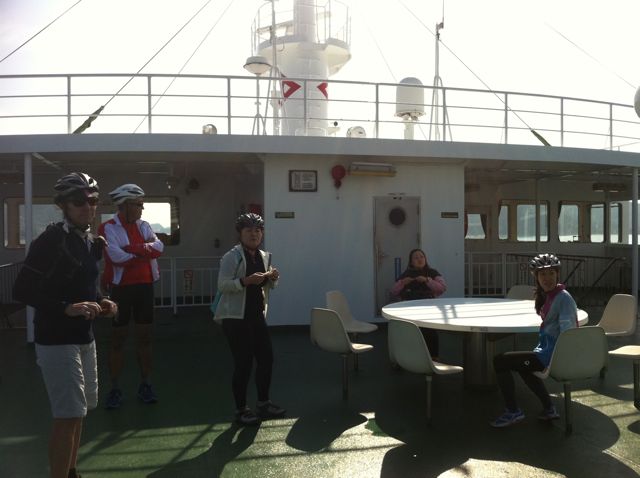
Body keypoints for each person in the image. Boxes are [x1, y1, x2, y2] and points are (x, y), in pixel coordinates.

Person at [12, 172, 118, 478]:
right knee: (67, 414)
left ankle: (71, 471)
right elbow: (22, 290)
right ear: (63, 205)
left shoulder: (91, 241)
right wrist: (66, 308)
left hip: (84, 336)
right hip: (56, 338)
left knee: (80, 410)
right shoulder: (50, 241)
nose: (87, 206)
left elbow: (88, 287)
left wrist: (103, 300)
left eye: (92, 200)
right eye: (78, 201)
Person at [490, 253, 578, 428]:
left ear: (557, 274)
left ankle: (513, 411)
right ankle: (549, 408)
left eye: (551, 273)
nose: (547, 278)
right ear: (536, 277)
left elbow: (568, 333)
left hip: (552, 355)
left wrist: (559, 359)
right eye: (542, 274)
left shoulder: (563, 298)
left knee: (500, 361)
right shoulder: (549, 295)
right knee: (523, 367)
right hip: (545, 352)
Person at [215, 213, 285, 426]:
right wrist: (245, 281)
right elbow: (222, 285)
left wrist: (273, 278)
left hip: (256, 315)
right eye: (248, 230)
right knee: (243, 364)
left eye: (257, 230)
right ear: (240, 234)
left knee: (266, 359)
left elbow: (267, 285)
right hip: (235, 318)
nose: (254, 234)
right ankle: (241, 410)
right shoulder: (232, 257)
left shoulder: (264, 256)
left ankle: (263, 403)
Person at [99, 184, 164, 409]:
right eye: (138, 204)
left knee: (145, 338)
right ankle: (115, 388)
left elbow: (159, 248)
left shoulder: (144, 225)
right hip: (121, 290)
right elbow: (116, 257)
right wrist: (144, 252)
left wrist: (132, 248)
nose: (142, 208)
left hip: (145, 287)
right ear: (125, 205)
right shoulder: (107, 228)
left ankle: (146, 384)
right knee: (118, 339)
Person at [390, 248, 447, 359]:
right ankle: (409, 357)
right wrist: (402, 283)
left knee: (430, 331)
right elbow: (394, 291)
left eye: (422, 257)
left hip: (428, 309)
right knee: (410, 332)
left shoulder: (432, 273)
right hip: (409, 309)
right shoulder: (406, 274)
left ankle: (433, 357)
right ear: (411, 262)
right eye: (416, 258)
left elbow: (442, 288)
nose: (420, 259)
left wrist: (427, 280)